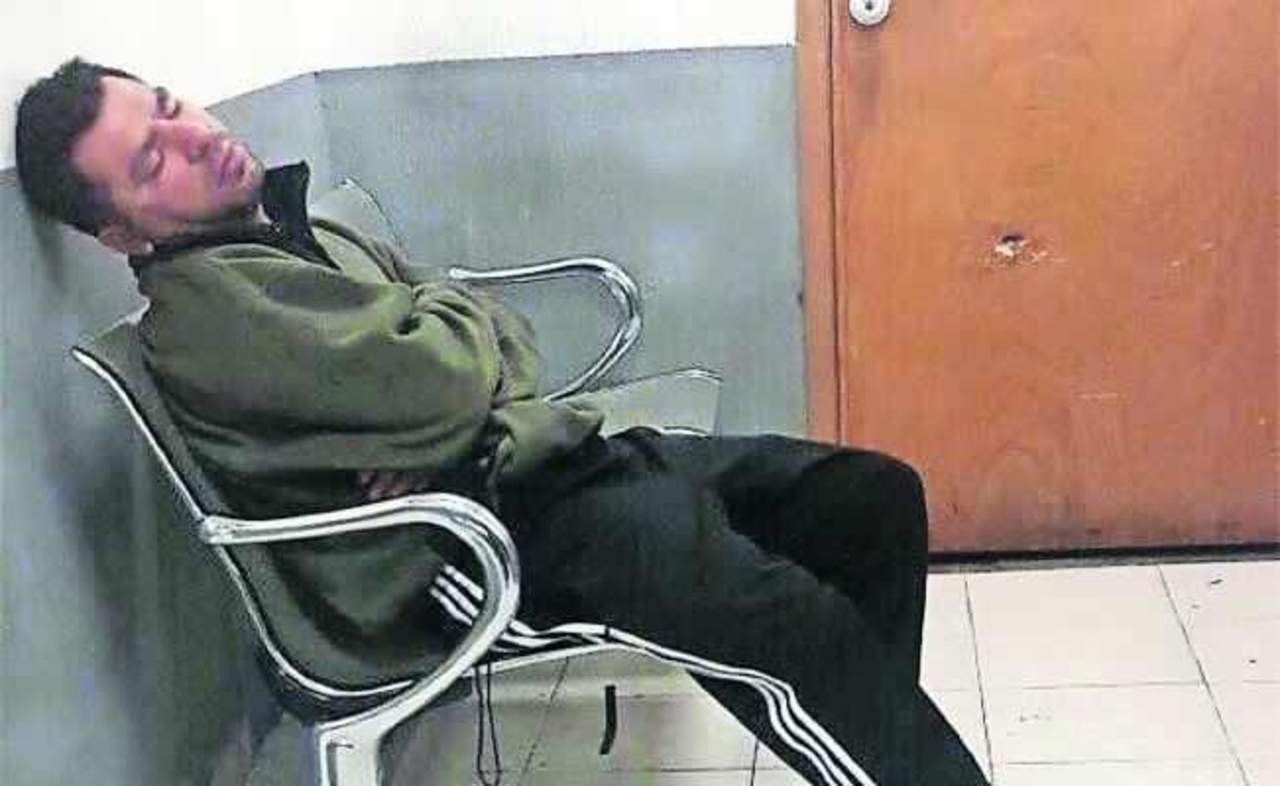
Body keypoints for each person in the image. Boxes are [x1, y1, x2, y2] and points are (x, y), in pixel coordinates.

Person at [15, 58, 990, 786]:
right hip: (465, 543)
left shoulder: (293, 231)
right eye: (152, 160)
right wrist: (445, 390)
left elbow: (478, 339)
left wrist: (435, 404)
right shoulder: (213, 315)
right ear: (123, 233)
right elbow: (448, 373)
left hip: (540, 464)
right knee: (789, 627)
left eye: (170, 106)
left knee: (866, 498)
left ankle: (871, 743)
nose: (192, 137)